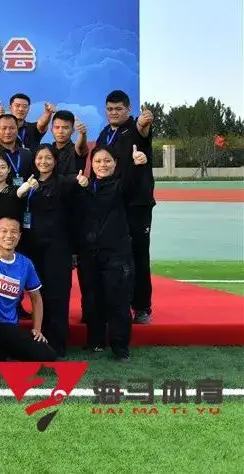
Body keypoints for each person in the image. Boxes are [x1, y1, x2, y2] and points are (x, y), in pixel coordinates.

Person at [75, 144, 151, 361]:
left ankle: (120, 348)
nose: (102, 165)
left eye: (107, 161)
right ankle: (96, 342)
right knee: (93, 299)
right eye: (98, 161)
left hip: (117, 255)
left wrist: (139, 166)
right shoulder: (85, 187)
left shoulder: (121, 186)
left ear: (115, 163)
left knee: (118, 301)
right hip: (89, 255)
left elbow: (134, 183)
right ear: (91, 164)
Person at [0, 216, 57, 382]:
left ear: (19, 236)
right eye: (4, 231)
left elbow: (36, 298)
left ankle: (0, 350)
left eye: (14, 231)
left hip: (6, 326)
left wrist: (37, 329)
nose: (9, 235)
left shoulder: (26, 264)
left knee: (47, 354)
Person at [15, 145, 86, 356]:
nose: (43, 162)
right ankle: (41, 337)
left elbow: (77, 208)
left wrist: (83, 182)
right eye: (40, 158)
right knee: (38, 294)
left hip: (58, 247)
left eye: (48, 158)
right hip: (33, 248)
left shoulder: (64, 183)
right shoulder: (30, 184)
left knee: (57, 294)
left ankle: (58, 343)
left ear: (55, 161)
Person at [96, 90, 155, 324]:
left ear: (128, 110)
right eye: (110, 109)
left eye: (118, 109)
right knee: (115, 255)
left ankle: (142, 308)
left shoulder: (135, 128)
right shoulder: (104, 133)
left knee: (138, 254)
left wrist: (144, 122)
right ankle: (117, 305)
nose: (113, 113)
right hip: (113, 203)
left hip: (137, 204)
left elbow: (143, 129)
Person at [48, 110, 89, 177]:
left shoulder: (76, 150)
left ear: (73, 130)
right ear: (51, 130)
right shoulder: (47, 150)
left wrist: (83, 134)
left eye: (65, 128)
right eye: (57, 127)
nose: (60, 131)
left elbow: (81, 147)